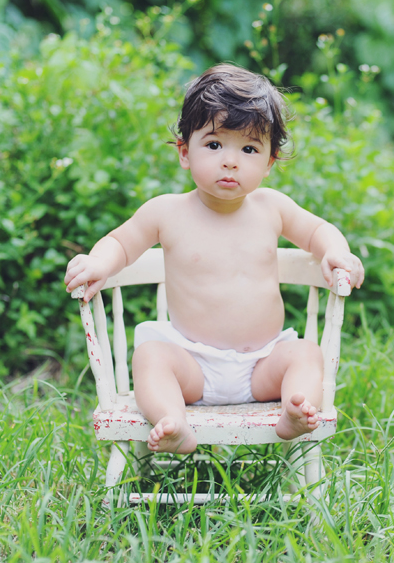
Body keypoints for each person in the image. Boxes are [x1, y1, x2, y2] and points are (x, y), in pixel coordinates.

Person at [63, 64, 364, 454]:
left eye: (249, 149)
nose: (231, 161)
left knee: (305, 354)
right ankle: (174, 422)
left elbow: (318, 230)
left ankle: (295, 411)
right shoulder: (166, 212)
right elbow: (121, 242)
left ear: (269, 162)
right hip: (193, 365)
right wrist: (99, 263)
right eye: (215, 144)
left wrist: (336, 252)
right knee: (151, 357)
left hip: (261, 365)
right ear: (185, 153)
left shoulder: (272, 207)